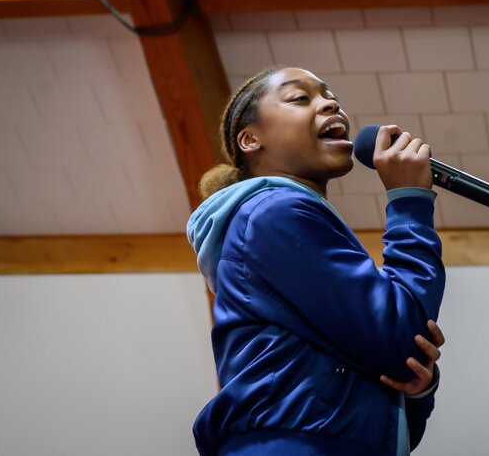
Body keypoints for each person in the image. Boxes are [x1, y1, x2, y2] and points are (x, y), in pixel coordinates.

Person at [187, 66, 446, 455]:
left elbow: (394, 400)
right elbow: (401, 337)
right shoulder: (273, 212)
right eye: (300, 97)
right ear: (250, 139)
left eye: (331, 98)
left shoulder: (296, 222)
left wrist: (418, 385)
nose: (330, 104)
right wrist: (409, 201)